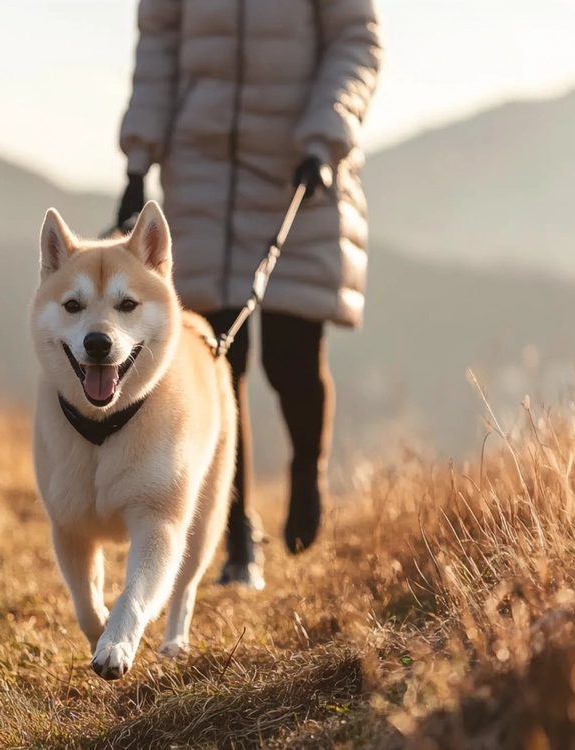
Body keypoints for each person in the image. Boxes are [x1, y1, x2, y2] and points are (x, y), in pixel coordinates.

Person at [114, 0, 381, 589]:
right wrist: (139, 158)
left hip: (300, 169)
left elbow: (356, 40)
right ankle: (236, 535)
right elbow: (158, 45)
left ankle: (305, 472)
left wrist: (328, 131)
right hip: (201, 176)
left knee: (292, 358)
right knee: (214, 363)